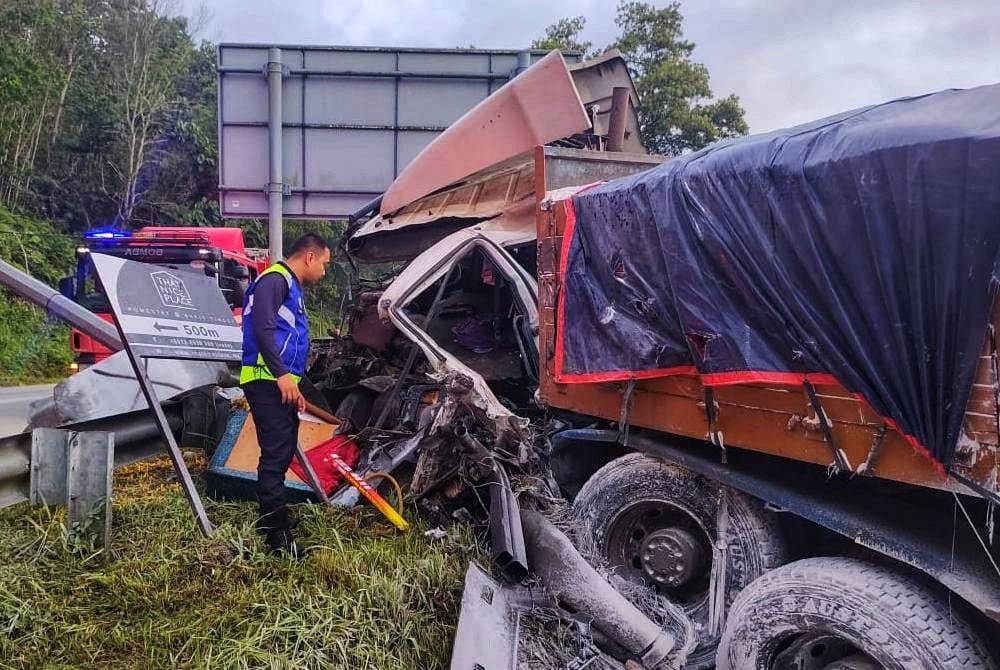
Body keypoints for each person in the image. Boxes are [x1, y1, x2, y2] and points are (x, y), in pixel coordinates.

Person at [240, 233, 331, 555]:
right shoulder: (275, 280)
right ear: (309, 256)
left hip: (278, 383)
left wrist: (294, 385)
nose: (323, 271)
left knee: (281, 450)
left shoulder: (287, 284)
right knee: (276, 455)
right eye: (324, 263)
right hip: (267, 381)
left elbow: (283, 335)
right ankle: (277, 540)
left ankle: (273, 521)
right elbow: (263, 329)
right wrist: (281, 376)